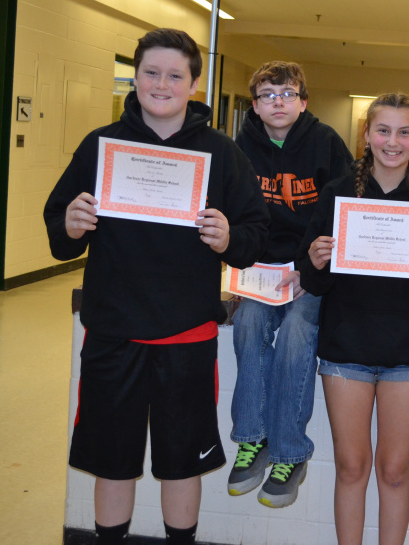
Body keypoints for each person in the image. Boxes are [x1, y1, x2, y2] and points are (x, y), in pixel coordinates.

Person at [43, 28, 270, 545]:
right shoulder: (100, 144)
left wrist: (229, 237)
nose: (161, 84)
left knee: (179, 463)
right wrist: (72, 224)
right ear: (136, 78)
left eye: (174, 75)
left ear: (193, 84)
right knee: (111, 460)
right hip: (112, 330)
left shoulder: (223, 154)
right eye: (151, 72)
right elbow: (59, 225)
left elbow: (254, 236)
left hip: (185, 332)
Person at [297, 93, 409, 544]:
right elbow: (314, 283)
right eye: (383, 130)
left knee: (394, 471)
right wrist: (315, 260)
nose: (393, 141)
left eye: (404, 132)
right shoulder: (336, 193)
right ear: (366, 135)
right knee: (352, 468)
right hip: (346, 349)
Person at [227, 61, 353, 508]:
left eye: (287, 94)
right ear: (255, 106)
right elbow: (233, 212)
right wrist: (241, 263)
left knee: (297, 335)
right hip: (262, 268)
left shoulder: (326, 143)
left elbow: (345, 213)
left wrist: (310, 268)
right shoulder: (240, 147)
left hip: (312, 270)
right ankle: (251, 438)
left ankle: (290, 451)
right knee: (248, 325)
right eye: (266, 95)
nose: (277, 103)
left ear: (303, 101)